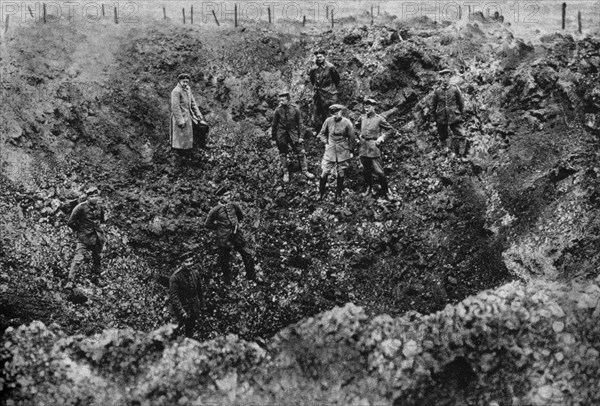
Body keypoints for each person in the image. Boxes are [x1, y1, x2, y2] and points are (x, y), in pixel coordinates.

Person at [204, 188, 258, 284]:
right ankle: (227, 280)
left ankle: (251, 276)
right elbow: (207, 224)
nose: (228, 197)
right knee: (224, 259)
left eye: (229, 194)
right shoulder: (215, 210)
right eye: (225, 195)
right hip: (224, 237)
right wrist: (219, 227)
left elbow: (240, 216)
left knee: (247, 253)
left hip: (236, 234)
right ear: (220, 197)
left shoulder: (234, 206)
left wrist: (235, 224)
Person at [355, 98, 398, 200]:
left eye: (368, 107)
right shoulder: (362, 118)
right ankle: (369, 188)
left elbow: (391, 130)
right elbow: (355, 126)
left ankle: (386, 191)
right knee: (366, 170)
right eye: (365, 107)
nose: (366, 109)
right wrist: (359, 136)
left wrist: (382, 138)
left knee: (379, 172)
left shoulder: (379, 119)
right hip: (363, 147)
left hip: (374, 147)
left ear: (373, 107)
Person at [271, 91, 315, 183]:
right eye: (280, 100)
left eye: (283, 100)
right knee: (283, 153)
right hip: (282, 134)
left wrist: (301, 136)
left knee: (300, 151)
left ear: (288, 100)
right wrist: (274, 137)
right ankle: (286, 173)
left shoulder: (295, 109)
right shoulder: (278, 110)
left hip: (293, 133)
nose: (281, 102)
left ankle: (305, 170)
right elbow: (274, 124)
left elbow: (300, 123)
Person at [318, 104, 356, 202]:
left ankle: (338, 194)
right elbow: (322, 134)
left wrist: (351, 151)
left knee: (341, 172)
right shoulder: (328, 121)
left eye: (337, 113)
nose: (335, 115)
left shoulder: (347, 123)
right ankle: (321, 193)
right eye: (333, 114)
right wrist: (326, 142)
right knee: (324, 172)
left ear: (341, 112)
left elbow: (352, 138)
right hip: (330, 150)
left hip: (342, 150)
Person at [67, 189, 106, 283]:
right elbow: (70, 222)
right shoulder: (80, 207)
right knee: (78, 259)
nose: (94, 198)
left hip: (96, 237)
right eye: (92, 196)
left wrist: (100, 232)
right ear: (87, 197)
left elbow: (102, 220)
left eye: (96, 196)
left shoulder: (100, 207)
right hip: (83, 238)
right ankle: (70, 281)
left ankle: (97, 277)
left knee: (97, 258)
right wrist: (80, 230)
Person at [431, 68, 466, 157]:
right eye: (443, 77)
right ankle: (445, 151)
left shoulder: (455, 89)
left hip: (454, 115)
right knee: (442, 135)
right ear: (441, 78)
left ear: (449, 77)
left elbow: (461, 102)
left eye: (447, 77)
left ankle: (462, 153)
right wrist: (435, 117)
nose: (445, 79)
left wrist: (462, 113)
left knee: (461, 134)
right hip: (442, 117)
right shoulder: (437, 91)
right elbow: (433, 106)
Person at [170, 73, 207, 155]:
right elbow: (175, 107)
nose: (186, 84)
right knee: (181, 138)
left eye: (187, 82)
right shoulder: (176, 91)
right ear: (179, 81)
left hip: (189, 116)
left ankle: (193, 150)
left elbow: (193, 103)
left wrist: (198, 114)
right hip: (180, 117)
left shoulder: (188, 89)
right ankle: (180, 154)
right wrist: (180, 121)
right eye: (184, 82)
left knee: (201, 128)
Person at [169, 252, 203, 338]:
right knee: (173, 331)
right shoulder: (175, 277)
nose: (189, 264)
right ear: (182, 263)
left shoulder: (195, 273)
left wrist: (200, 305)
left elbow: (199, 291)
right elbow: (174, 297)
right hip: (180, 308)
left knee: (190, 331)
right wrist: (181, 311)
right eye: (186, 262)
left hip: (192, 308)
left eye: (191, 261)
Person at [309, 49, 340, 133]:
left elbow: (336, 79)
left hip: (330, 93)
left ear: (324, 57)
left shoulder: (330, 67)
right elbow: (312, 80)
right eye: (317, 57)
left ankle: (335, 130)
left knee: (333, 110)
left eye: (321, 57)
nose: (319, 59)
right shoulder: (313, 69)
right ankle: (321, 130)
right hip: (319, 94)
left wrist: (330, 88)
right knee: (318, 112)